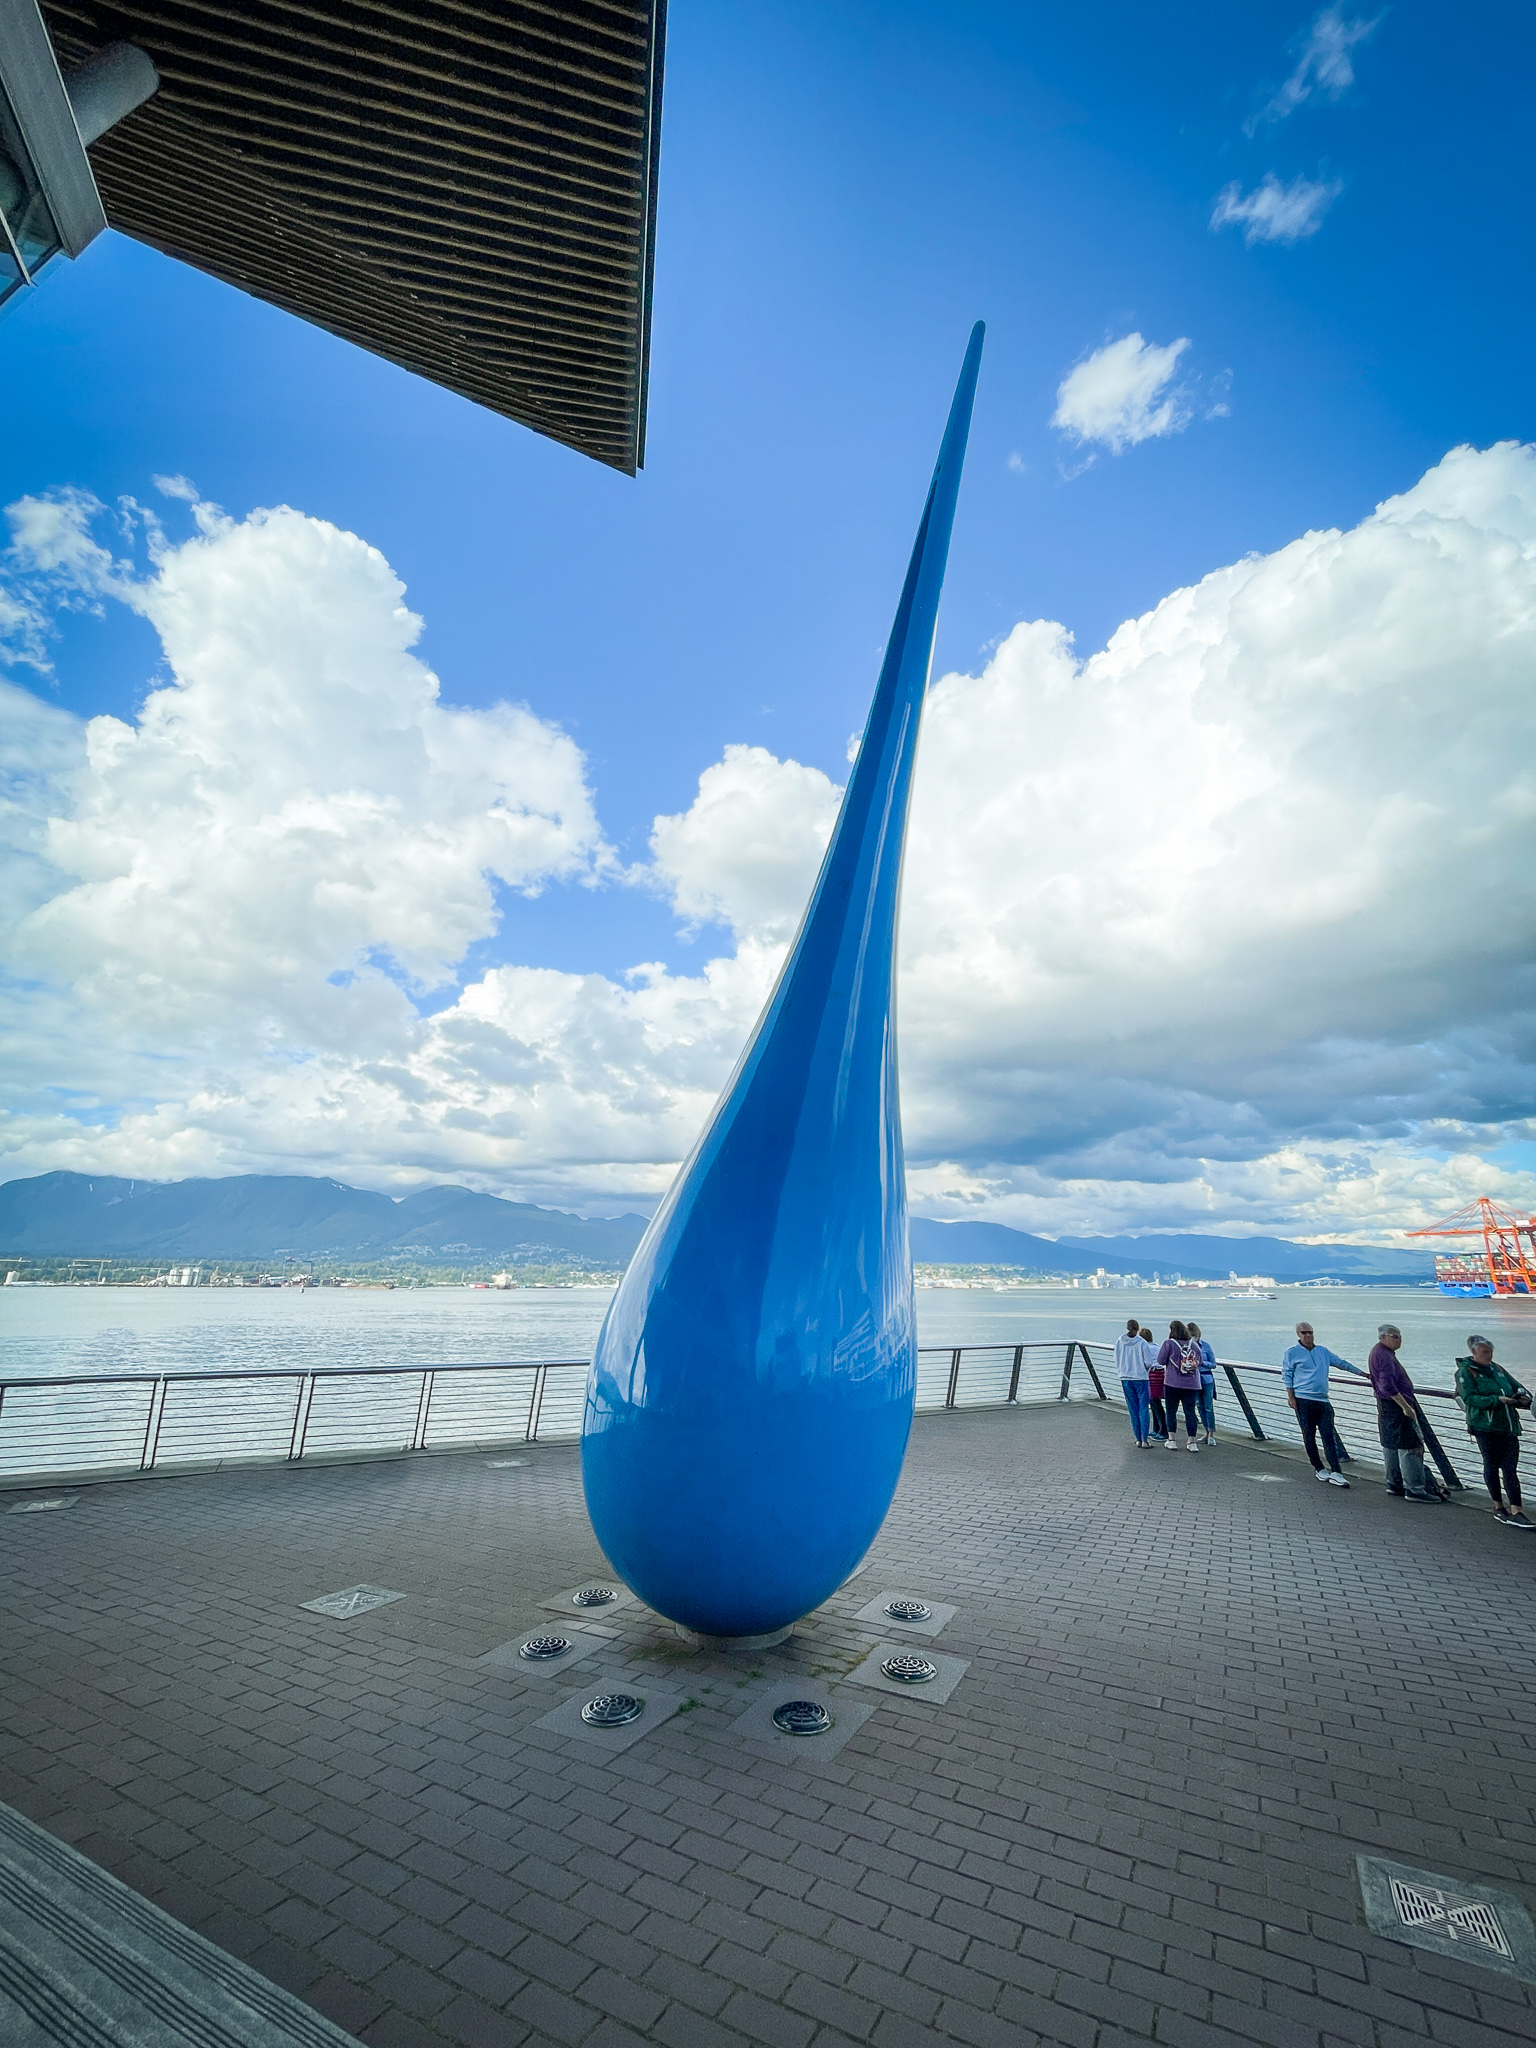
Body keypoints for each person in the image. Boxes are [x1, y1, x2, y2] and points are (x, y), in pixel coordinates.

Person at [1454, 1335, 1535, 1529]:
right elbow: (1470, 1399)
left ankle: (1517, 1510)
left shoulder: (1497, 1369)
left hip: (1508, 1426)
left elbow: (1516, 1386)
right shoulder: (1465, 1372)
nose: (1489, 1356)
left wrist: (1523, 1396)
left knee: (1510, 1468)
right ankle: (1498, 1506)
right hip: (1485, 1426)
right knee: (1491, 1465)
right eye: (1484, 1352)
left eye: (1490, 1352)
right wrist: (1497, 1400)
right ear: (1474, 1352)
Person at [1366, 1325, 1443, 1503]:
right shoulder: (1384, 1355)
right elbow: (1388, 1385)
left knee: (1391, 1444)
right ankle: (1414, 1488)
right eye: (1395, 1337)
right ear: (1384, 1337)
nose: (1399, 1340)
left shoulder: (1380, 1352)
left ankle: (1393, 1483)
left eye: (1400, 1336)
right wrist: (1405, 1406)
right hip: (1395, 1405)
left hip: (1386, 1405)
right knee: (1411, 1446)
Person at [1280, 1321, 1352, 1487]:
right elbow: (1287, 1375)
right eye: (1304, 1332)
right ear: (1298, 1334)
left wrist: (1364, 1374)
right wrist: (1291, 1397)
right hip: (1303, 1399)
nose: (1308, 1335)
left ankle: (1336, 1471)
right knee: (1309, 1435)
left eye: (1310, 1332)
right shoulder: (1292, 1353)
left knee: (1328, 1435)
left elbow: (1341, 1363)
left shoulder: (1323, 1352)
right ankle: (1319, 1468)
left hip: (1322, 1400)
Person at [1158, 1319, 1204, 1451]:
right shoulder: (1193, 1345)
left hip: (1173, 1382)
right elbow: (1199, 1362)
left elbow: (1161, 1360)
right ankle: (1192, 1442)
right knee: (1190, 1412)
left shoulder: (1169, 1344)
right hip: (1192, 1383)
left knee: (1171, 1411)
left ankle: (1172, 1439)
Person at [1114, 1316, 1155, 1445]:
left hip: (1125, 1377)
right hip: (1140, 1377)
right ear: (1137, 1329)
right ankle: (1144, 1439)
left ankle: (1137, 1438)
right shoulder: (1142, 1343)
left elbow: (1116, 1359)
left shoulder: (1120, 1341)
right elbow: (1148, 1362)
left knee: (1132, 1408)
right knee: (1143, 1408)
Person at [1187, 1321, 1217, 1445]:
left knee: (1208, 1406)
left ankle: (1211, 1434)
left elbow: (1213, 1364)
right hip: (1194, 1378)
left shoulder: (1206, 1346)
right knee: (1199, 1406)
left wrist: (1201, 1362)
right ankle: (1205, 1431)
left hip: (1206, 1378)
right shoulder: (1187, 1347)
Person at [1144, 1324, 1167, 1442]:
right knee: (1155, 1402)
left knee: (1155, 1402)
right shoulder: (1157, 1346)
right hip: (1160, 1374)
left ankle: (1163, 1430)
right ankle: (1157, 1428)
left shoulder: (1145, 1348)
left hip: (1152, 1375)